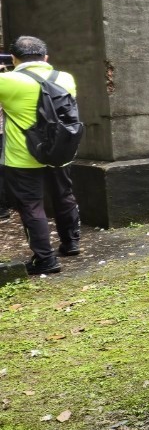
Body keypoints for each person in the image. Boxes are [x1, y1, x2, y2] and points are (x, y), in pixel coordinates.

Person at [0, 36, 83, 275]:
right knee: (64, 195)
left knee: (31, 205)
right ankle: (71, 243)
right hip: (60, 152)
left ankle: (45, 260)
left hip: (23, 157)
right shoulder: (65, 78)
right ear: (45, 57)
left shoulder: (6, 81)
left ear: (14, 58)